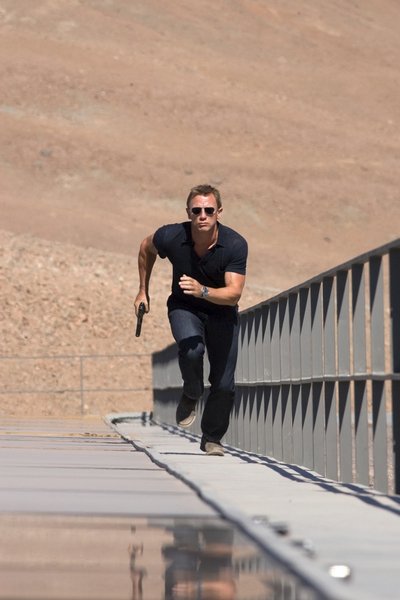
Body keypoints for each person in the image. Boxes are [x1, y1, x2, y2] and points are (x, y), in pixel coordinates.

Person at [134, 184, 248, 456]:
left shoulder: (234, 244)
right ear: (188, 212)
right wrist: (142, 290)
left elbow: (234, 293)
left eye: (209, 210)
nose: (202, 216)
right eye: (196, 210)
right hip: (184, 306)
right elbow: (146, 247)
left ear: (219, 212)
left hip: (221, 310)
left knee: (223, 383)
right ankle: (192, 390)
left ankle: (212, 438)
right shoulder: (172, 235)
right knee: (192, 349)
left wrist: (203, 291)